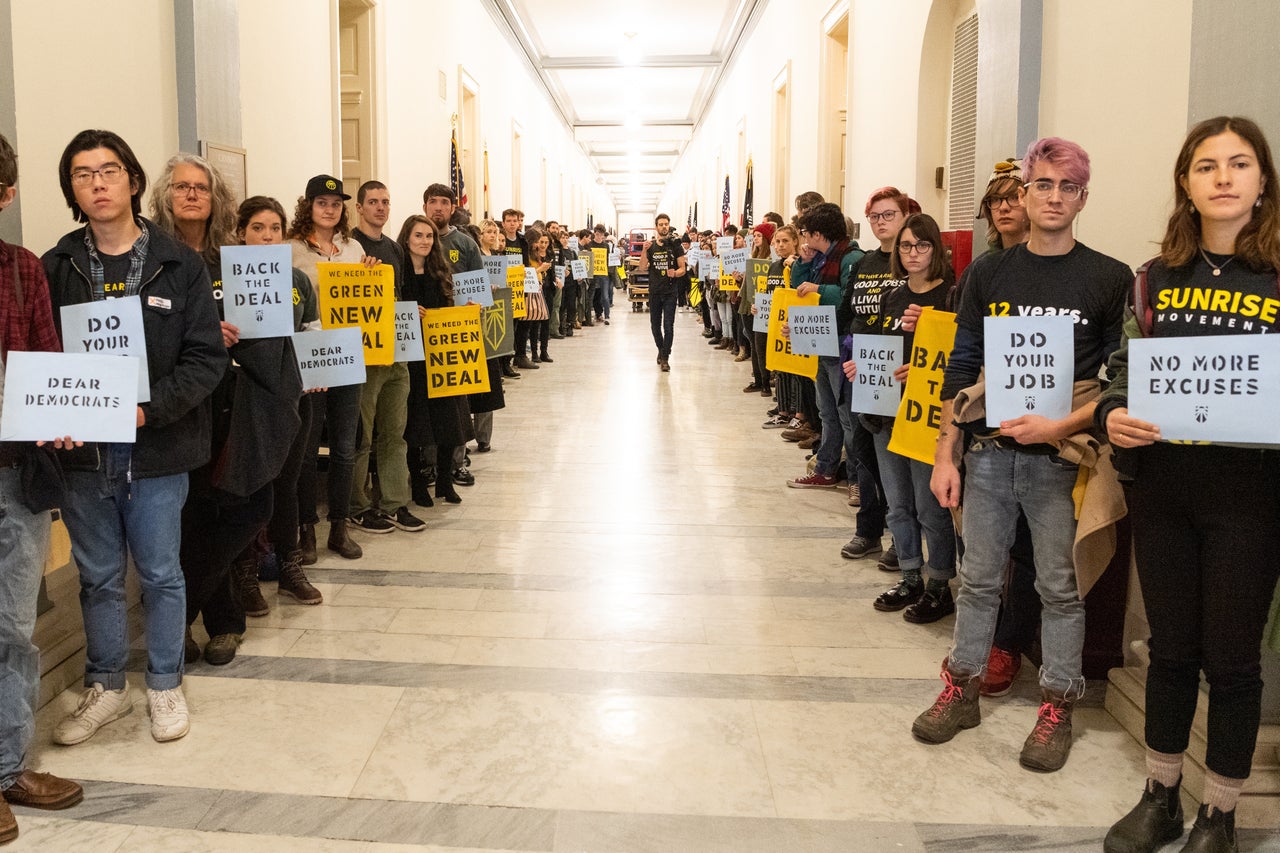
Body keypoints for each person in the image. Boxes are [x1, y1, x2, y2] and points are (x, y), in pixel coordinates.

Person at [913, 137, 1131, 773]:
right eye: (1043, 185)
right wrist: (945, 454)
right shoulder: (989, 273)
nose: (1054, 197)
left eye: (1068, 188)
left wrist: (1058, 424)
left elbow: (1120, 377)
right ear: (1025, 193)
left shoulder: (1109, 277)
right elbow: (963, 365)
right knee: (977, 579)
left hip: (1060, 459)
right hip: (985, 455)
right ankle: (963, 688)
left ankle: (1058, 703)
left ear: (1083, 198)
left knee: (1058, 586)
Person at [1099, 116, 1280, 853]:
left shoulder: (1277, 275)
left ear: (1263, 180)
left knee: (1234, 657)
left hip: (1252, 496)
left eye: (1240, 164)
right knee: (1170, 648)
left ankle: (1222, 811)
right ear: (1186, 181)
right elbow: (1121, 369)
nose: (1225, 178)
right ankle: (1161, 794)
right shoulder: (1153, 278)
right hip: (1165, 489)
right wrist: (1112, 414)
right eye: (1208, 165)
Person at [44, 129, 226, 744]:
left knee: (160, 572)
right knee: (96, 575)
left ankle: (166, 684)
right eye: (82, 174)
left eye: (109, 170)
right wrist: (56, 412)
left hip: (157, 448)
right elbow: (40, 357)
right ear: (72, 188)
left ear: (133, 180)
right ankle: (106, 686)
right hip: (84, 455)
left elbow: (206, 360)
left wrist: (149, 411)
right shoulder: (56, 266)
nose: (97, 183)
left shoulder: (179, 265)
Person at [149, 154, 302, 667]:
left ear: (216, 200)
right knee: (194, 513)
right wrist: (201, 338)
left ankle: (177, 613)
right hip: (182, 406)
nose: (192, 195)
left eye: (201, 187)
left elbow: (270, 329)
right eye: (181, 187)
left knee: (249, 506)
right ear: (164, 197)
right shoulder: (152, 260)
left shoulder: (234, 260)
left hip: (241, 403)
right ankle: (222, 623)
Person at [0, 131, 84, 845]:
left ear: (6, 193)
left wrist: (62, 414)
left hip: (12, 476)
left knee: (12, 629)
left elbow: (48, 360)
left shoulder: (25, 270)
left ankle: (7, 764)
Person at [845, 213, 957, 623]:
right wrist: (861, 365)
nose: (912, 254)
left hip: (927, 418)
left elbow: (958, 359)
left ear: (936, 249)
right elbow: (882, 347)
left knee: (930, 508)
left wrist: (922, 370)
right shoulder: (893, 296)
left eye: (921, 246)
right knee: (897, 504)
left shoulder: (951, 295)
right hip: (888, 412)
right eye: (906, 246)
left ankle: (939, 583)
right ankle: (910, 574)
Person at [230, 196, 324, 620]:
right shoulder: (224, 280)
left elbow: (311, 332)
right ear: (241, 233)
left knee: (287, 483)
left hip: (293, 396)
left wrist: (320, 367)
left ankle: (290, 566)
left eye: (273, 228)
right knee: (250, 485)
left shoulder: (297, 281)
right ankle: (245, 573)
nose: (267, 236)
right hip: (245, 398)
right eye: (257, 228)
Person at [289, 174, 375, 560]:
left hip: (347, 354)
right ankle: (306, 529)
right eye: (322, 202)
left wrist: (371, 277)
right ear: (307, 206)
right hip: (308, 356)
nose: (329, 209)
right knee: (306, 449)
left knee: (343, 446)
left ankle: (339, 528)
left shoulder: (354, 248)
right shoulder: (288, 250)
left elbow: (366, 301)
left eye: (336, 203)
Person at [348, 180, 425, 535]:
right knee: (362, 434)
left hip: (396, 352)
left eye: (386, 202)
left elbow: (398, 296)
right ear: (360, 207)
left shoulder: (395, 249)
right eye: (373, 202)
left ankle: (395, 502)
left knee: (395, 432)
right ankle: (357, 505)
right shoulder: (348, 247)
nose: (380, 207)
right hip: (363, 355)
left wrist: (413, 312)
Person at [789, 203, 866, 501]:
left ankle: (858, 478)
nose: (804, 238)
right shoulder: (820, 260)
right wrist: (804, 263)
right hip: (822, 343)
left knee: (848, 416)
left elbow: (850, 298)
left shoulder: (852, 259)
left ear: (818, 232)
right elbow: (798, 288)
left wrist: (819, 290)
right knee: (828, 413)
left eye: (806, 232)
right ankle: (826, 467)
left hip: (842, 344)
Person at [398, 215, 466, 506]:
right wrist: (409, 311)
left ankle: (445, 482)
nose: (425, 241)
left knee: (449, 419)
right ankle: (417, 485)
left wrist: (465, 311)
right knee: (416, 422)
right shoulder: (397, 272)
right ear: (407, 239)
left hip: (440, 353)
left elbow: (449, 306)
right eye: (418, 236)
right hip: (411, 354)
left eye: (429, 236)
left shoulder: (439, 270)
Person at [638, 212, 688, 372]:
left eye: (666, 224)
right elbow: (642, 267)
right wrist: (644, 251)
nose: (664, 226)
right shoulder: (650, 246)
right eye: (661, 224)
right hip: (654, 292)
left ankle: (665, 357)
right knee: (654, 326)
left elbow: (683, 269)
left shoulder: (676, 245)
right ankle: (661, 349)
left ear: (669, 225)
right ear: (656, 227)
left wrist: (675, 273)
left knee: (668, 326)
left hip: (670, 292)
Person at [740, 222, 775, 391]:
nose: (755, 238)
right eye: (754, 236)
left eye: (759, 235)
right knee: (754, 343)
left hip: (764, 304)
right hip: (748, 303)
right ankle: (759, 378)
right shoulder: (752, 257)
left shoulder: (771, 260)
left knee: (762, 344)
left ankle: (766, 380)